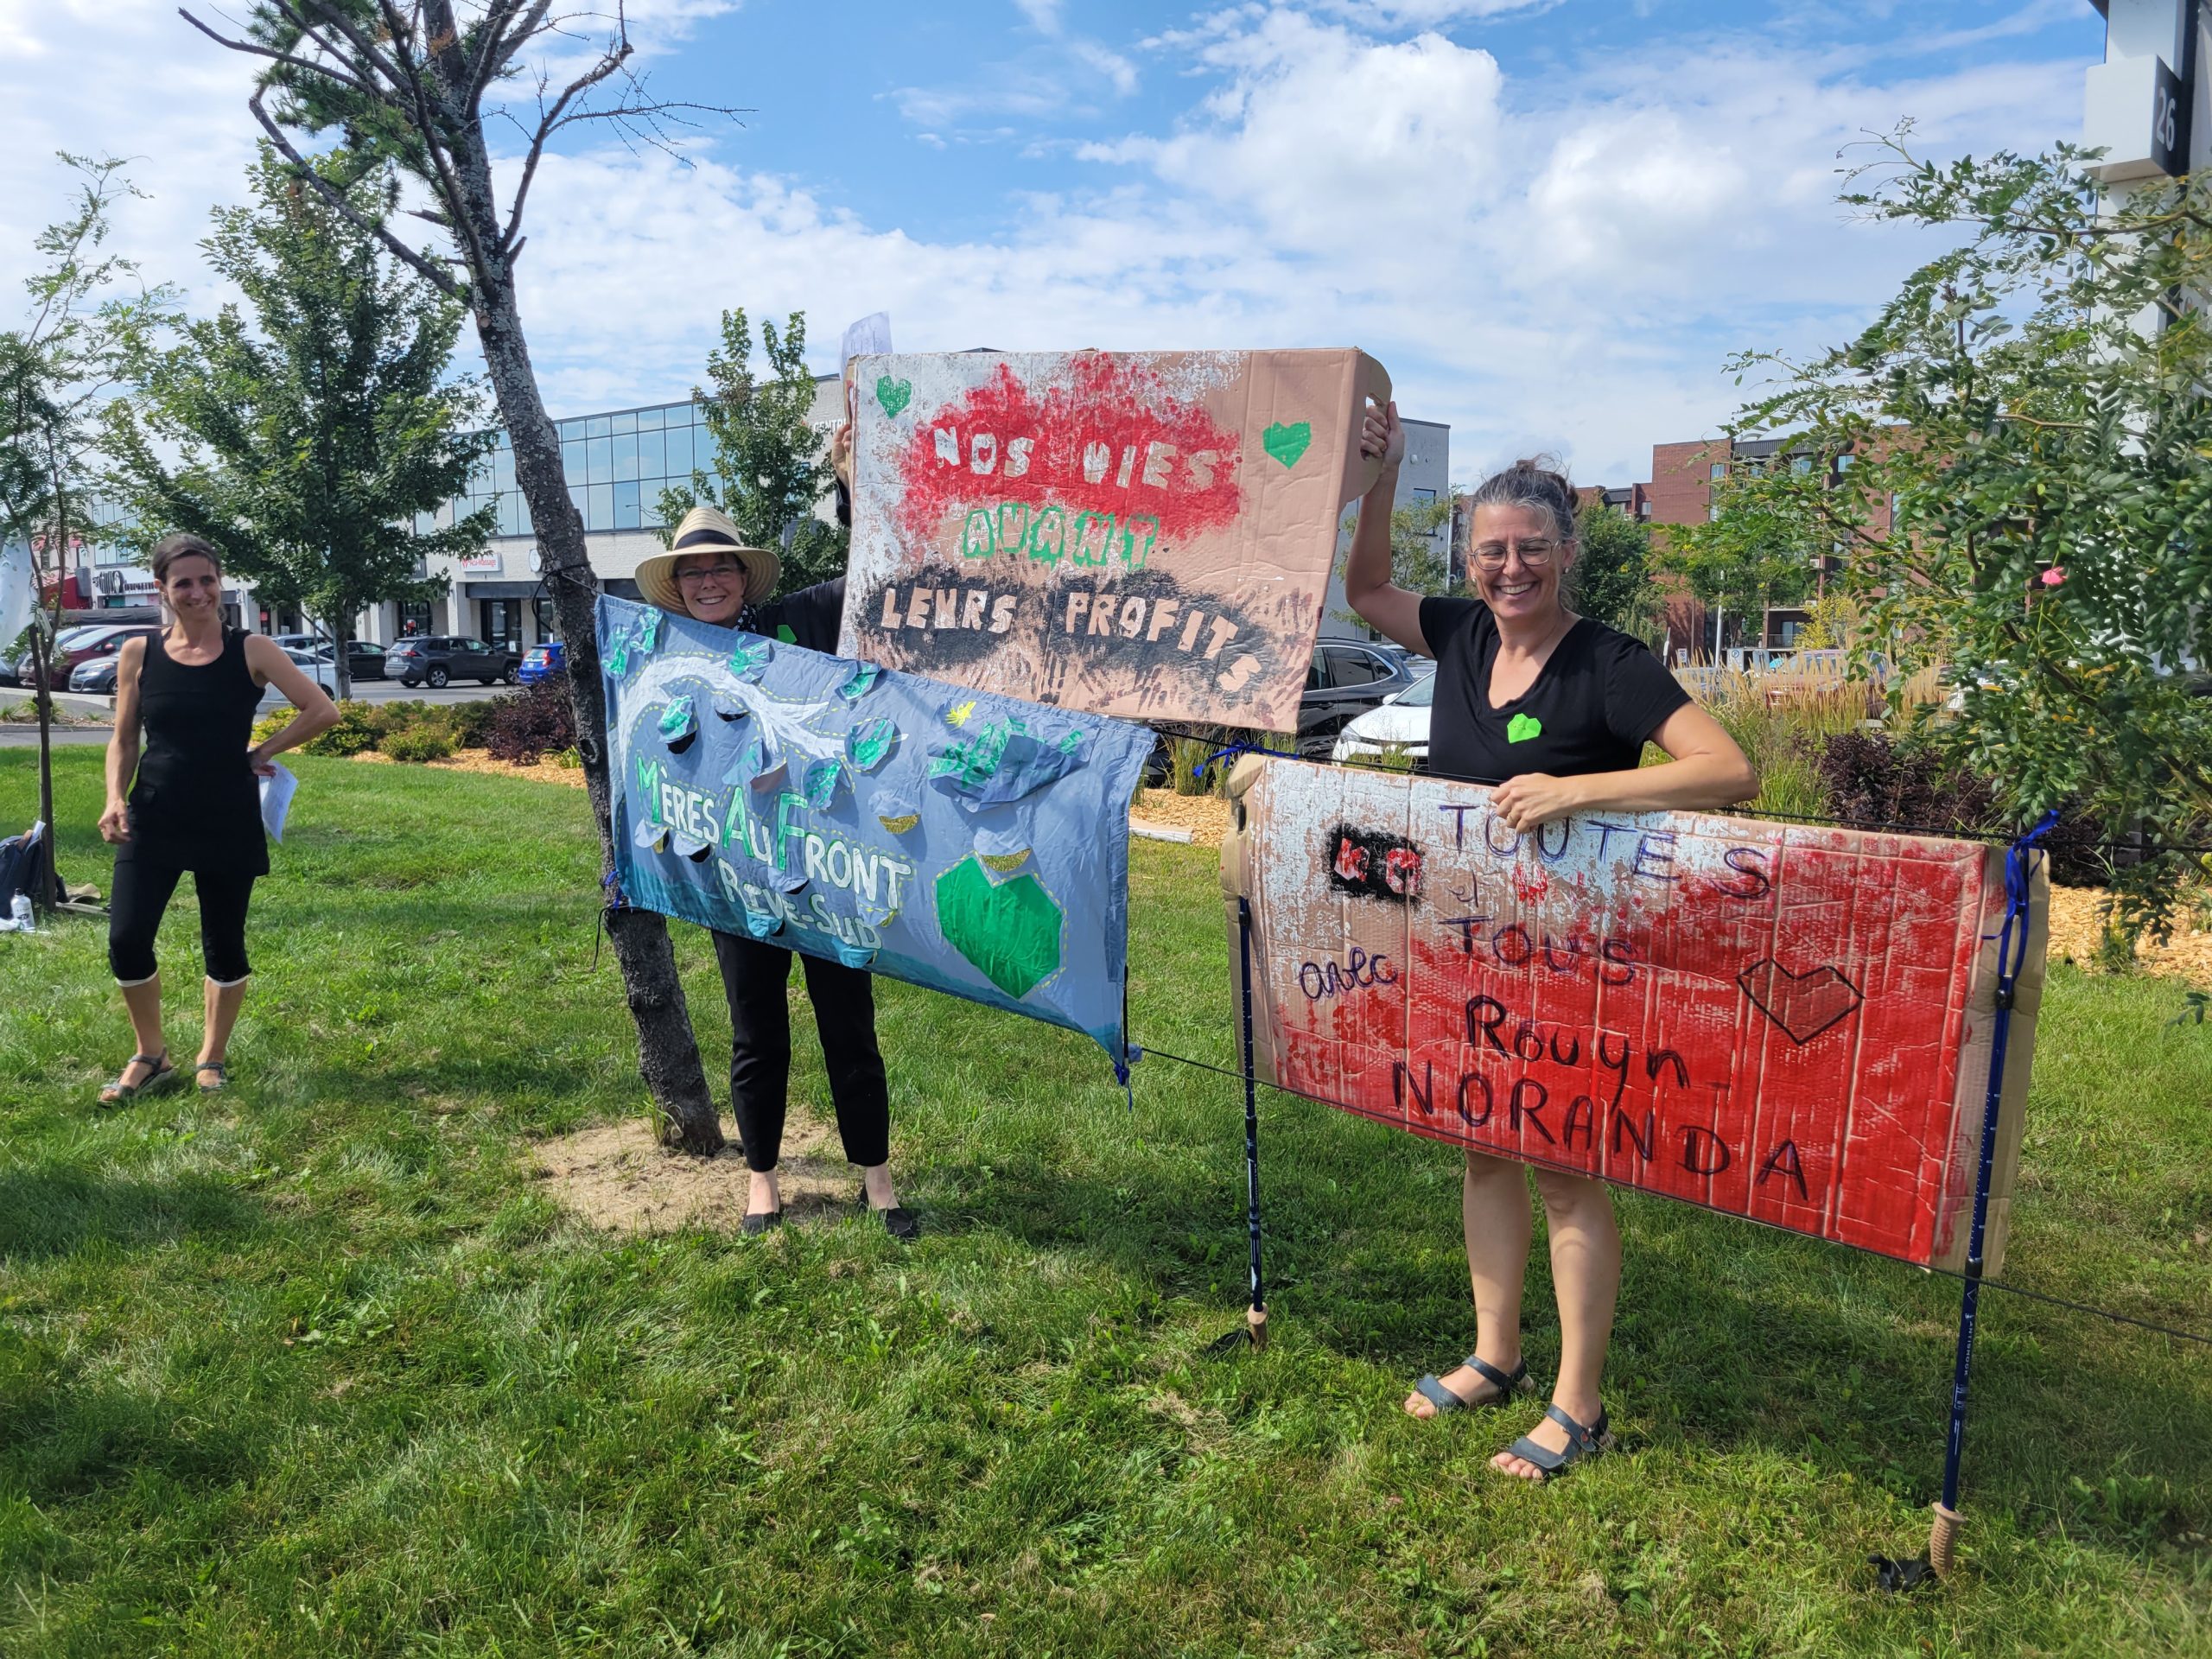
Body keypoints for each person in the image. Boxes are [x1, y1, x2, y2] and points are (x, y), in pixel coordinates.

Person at [1344, 405, 1758, 1481]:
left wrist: (1582, 789)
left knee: (1568, 1171)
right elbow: (1365, 592)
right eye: (1492, 550)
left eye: (1531, 548)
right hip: (1465, 945)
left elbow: (1725, 767)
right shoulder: (1458, 635)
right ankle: (1496, 1354)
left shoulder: (1609, 664)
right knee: (1483, 1143)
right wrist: (1379, 479)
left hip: (1576, 954)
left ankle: (1579, 1404)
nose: (1510, 568)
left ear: (1565, 554)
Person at [633, 493, 915, 1241]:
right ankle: (761, 1182)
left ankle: (876, 1180)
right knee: (756, 1031)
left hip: (826, 868)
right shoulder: (669, 654)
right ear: (679, 585)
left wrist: (858, 482)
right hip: (737, 877)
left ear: (743, 574)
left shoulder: (801, 622)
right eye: (692, 572)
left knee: (849, 1026)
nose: (708, 581)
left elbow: (874, 569)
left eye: (720, 565)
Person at [98, 533, 340, 1100]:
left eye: (207, 579)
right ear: (163, 589)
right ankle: (151, 1054)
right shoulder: (140, 653)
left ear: (219, 581)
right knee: (127, 937)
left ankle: (212, 1055)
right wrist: (114, 796)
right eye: (183, 582)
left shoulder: (250, 649)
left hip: (227, 812)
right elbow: (124, 739)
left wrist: (264, 751)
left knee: (224, 944)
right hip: (153, 812)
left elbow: (321, 709)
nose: (198, 591)